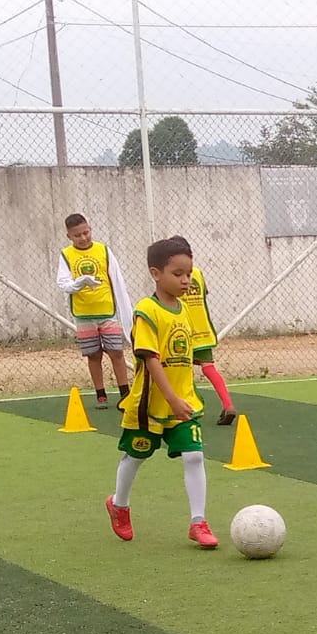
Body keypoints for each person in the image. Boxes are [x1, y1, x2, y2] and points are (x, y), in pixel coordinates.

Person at [105, 236, 217, 549]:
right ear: (156, 273)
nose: (185, 280)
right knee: (136, 455)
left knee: (194, 455)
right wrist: (171, 398)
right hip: (149, 405)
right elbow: (151, 359)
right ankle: (119, 504)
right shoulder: (146, 311)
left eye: (189, 273)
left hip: (184, 401)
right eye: (177, 274)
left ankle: (198, 522)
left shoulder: (184, 310)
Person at [56, 213, 132, 407]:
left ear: (90, 229)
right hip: (84, 314)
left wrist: (123, 308)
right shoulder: (66, 255)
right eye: (77, 235)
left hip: (107, 311)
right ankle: (101, 394)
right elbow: (63, 283)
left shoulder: (104, 250)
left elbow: (116, 279)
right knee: (93, 354)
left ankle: (125, 393)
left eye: (86, 232)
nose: (83, 238)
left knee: (116, 352)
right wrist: (79, 283)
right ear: (69, 236)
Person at [175, 238, 238, 425]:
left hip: (183, 330)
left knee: (182, 368)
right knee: (209, 368)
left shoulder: (175, 277)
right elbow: (204, 294)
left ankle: (190, 407)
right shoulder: (198, 274)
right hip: (203, 331)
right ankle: (228, 404)